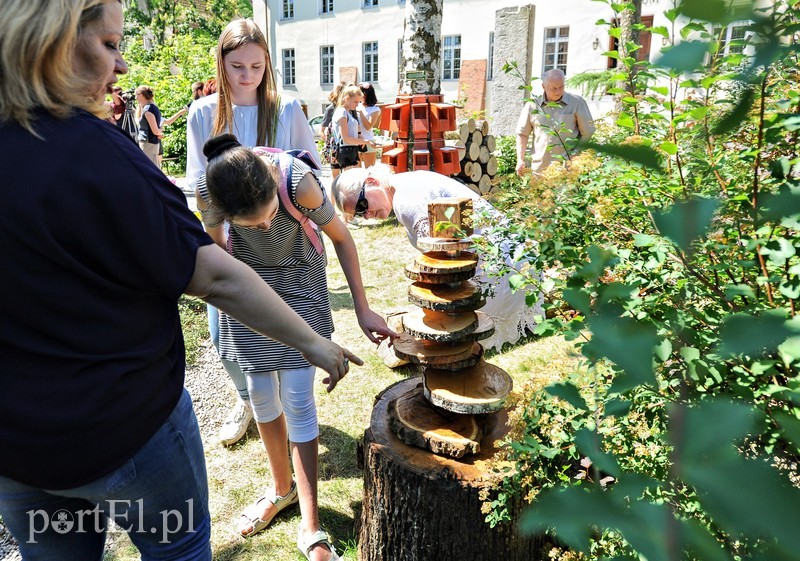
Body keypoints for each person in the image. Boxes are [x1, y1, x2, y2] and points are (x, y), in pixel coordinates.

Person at [0, 1, 359, 560]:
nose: (120, 68)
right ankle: (280, 487)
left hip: (18, 453)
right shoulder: (94, 153)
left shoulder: (285, 131)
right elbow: (213, 271)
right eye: (111, 46)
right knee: (180, 547)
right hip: (122, 432)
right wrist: (315, 343)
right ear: (52, 43)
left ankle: (299, 506)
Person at [197, 134, 395, 561]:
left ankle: (311, 525)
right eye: (252, 226)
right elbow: (216, 256)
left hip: (300, 284)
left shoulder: (297, 181)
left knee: (299, 401)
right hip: (248, 292)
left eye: (269, 217)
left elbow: (342, 238)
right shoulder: (208, 192)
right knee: (261, 395)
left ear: (273, 185)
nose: (266, 228)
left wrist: (362, 309)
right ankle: (280, 488)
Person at [186, 18, 322, 448]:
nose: (246, 76)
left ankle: (287, 405)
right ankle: (248, 399)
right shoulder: (203, 113)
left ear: (268, 66)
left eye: (256, 67)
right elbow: (198, 182)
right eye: (237, 66)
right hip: (226, 240)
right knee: (222, 335)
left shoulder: (285, 109)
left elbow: (311, 168)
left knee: (287, 325)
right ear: (221, 64)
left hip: (279, 239)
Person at [332, 165, 544, 354]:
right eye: (359, 214)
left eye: (361, 205)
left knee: (444, 338)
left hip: (503, 273)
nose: (366, 215)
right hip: (519, 260)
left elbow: (443, 263)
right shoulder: (406, 181)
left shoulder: (405, 201)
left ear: (371, 182)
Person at [515, 68, 595, 177]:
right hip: (540, 169)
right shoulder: (532, 106)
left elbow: (588, 132)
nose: (558, 91)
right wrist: (520, 159)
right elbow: (522, 134)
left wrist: (576, 154)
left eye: (561, 87)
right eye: (554, 88)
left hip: (567, 168)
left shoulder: (577, 103)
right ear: (544, 87)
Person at [331, 84, 370, 174]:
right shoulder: (342, 112)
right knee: (351, 182)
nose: (357, 105)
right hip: (346, 152)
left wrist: (361, 139)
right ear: (347, 98)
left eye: (359, 102)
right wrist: (365, 141)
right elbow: (346, 139)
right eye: (355, 102)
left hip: (350, 150)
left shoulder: (347, 112)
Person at [135, 84, 162, 165]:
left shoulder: (148, 110)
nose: (135, 98)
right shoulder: (150, 107)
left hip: (148, 143)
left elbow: (155, 131)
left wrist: (159, 132)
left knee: (151, 167)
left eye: (136, 95)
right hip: (148, 142)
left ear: (141, 95)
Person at [357, 82, 382, 168]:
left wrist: (360, 113)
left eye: (360, 93)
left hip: (369, 141)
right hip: (356, 141)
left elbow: (368, 126)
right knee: (356, 172)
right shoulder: (356, 105)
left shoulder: (375, 109)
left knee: (370, 171)